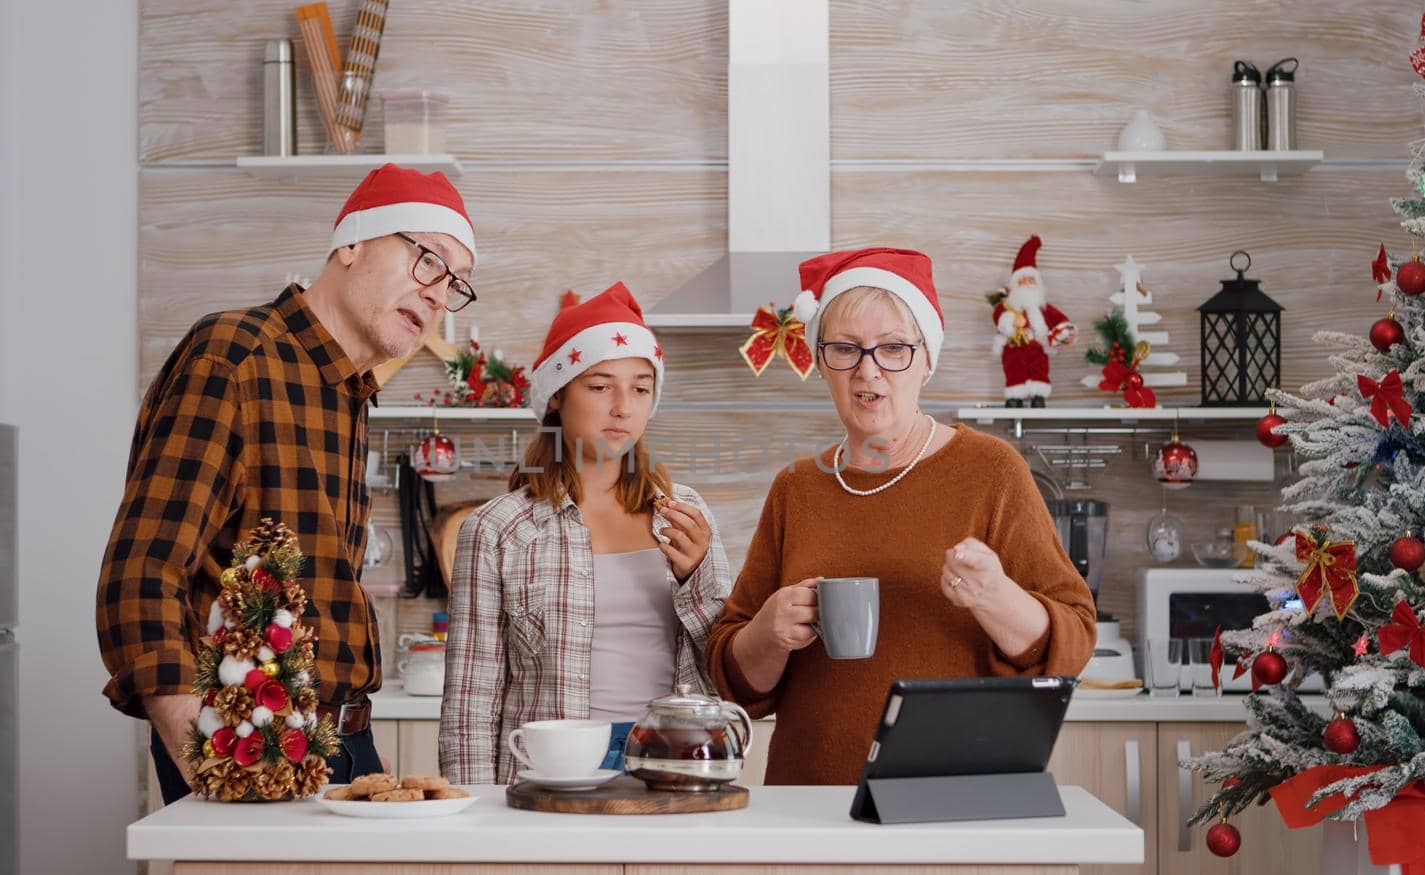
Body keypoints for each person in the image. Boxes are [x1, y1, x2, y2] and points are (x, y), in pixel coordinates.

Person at [97, 163, 479, 804]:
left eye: (456, 283)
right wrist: (207, 755)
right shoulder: (236, 356)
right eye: (428, 261)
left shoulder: (350, 393)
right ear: (352, 244)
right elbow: (141, 576)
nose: (441, 294)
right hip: (253, 746)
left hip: (345, 741)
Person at [707, 247, 1095, 785]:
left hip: (951, 801)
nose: (869, 371)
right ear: (821, 362)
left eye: (893, 348)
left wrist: (995, 597)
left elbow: (1074, 639)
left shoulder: (991, 471)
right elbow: (733, 681)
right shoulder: (797, 487)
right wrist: (768, 634)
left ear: (927, 358)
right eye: (845, 348)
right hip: (808, 804)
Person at [439, 283, 732, 784]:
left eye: (641, 388)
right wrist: (478, 819)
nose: (623, 407)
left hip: (671, 764)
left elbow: (725, 665)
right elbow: (471, 700)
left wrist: (696, 577)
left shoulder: (685, 514)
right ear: (556, 396)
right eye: (600, 386)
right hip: (550, 773)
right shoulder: (497, 529)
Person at [990, 235, 1075, 408]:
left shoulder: (1044, 308)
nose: (1028, 284)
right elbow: (998, 315)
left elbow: (1060, 320)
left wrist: (1064, 332)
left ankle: (1038, 396)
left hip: (1038, 346)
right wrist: (1012, 321)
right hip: (1014, 345)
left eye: (1031, 280)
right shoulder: (1009, 306)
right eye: (1024, 281)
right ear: (1016, 285)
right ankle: (1015, 397)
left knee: (1039, 369)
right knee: (1014, 370)